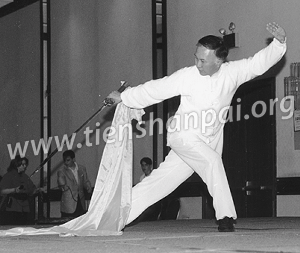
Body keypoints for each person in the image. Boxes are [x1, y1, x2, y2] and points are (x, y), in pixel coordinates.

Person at [107, 22, 287, 232]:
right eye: (196, 57)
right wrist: (124, 97)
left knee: (158, 182)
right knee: (212, 162)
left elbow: (258, 63)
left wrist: (279, 43)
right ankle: (226, 217)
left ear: (219, 61)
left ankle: (113, 216)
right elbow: (156, 89)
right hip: (183, 136)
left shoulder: (233, 73)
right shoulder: (187, 75)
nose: (198, 64)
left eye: (203, 60)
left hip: (207, 143)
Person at [0, 155, 39, 225]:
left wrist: (38, 190)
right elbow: (2, 191)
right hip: (12, 208)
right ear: (16, 165)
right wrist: (14, 190)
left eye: (25, 164)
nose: (25, 166)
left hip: (24, 208)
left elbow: (31, 190)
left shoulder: (25, 176)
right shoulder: (8, 176)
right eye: (22, 164)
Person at [57, 150, 92, 219]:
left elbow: (85, 181)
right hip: (68, 203)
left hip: (80, 200)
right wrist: (63, 186)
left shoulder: (82, 168)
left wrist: (88, 186)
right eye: (64, 160)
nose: (66, 162)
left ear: (73, 159)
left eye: (68, 160)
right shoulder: (61, 171)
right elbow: (61, 184)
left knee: (80, 223)